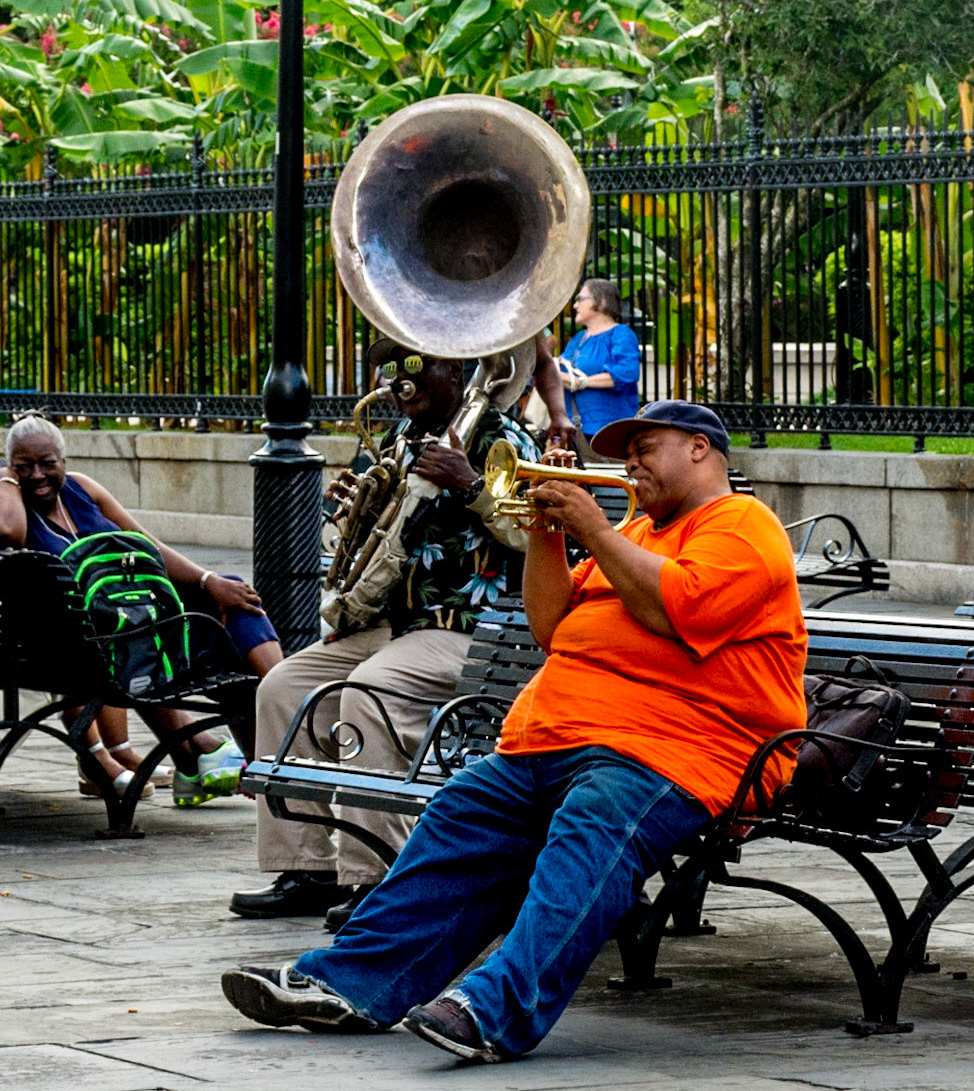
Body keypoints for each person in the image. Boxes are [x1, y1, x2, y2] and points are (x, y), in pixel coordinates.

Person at [221, 399, 808, 1061]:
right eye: (627, 451)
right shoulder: (641, 532)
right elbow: (552, 623)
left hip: (672, 751)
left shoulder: (743, 525)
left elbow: (675, 609)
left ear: (702, 448)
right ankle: (348, 983)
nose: (631, 462)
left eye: (647, 446)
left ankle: (494, 1009)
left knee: (591, 827)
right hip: (556, 739)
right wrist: (548, 534)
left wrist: (595, 527)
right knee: (459, 814)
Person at [227, 339, 540, 928]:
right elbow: (381, 538)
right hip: (388, 624)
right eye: (391, 370)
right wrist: (356, 508)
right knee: (282, 686)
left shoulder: (503, 437)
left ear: (455, 367)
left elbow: (534, 535)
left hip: (467, 626)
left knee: (366, 691)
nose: (401, 382)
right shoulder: (398, 438)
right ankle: (306, 867)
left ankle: (376, 875)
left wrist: (469, 484)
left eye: (415, 367)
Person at [0, 413, 283, 805]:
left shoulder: (83, 489)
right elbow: (9, 532)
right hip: (92, 645)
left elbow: (145, 545)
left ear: (64, 461)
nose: (37, 475)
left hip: (140, 621)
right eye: (23, 465)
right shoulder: (10, 503)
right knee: (156, 639)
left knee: (232, 592)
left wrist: (207, 581)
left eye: (47, 463)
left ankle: (281, 717)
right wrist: (6, 480)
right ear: (9, 464)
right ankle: (210, 750)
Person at [557, 278, 641, 445]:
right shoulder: (578, 339)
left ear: (601, 302)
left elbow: (626, 374)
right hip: (577, 430)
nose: (575, 305)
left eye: (580, 299)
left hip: (611, 431)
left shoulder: (621, 335)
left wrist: (582, 381)